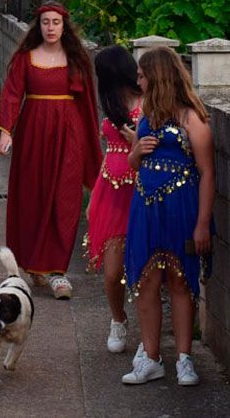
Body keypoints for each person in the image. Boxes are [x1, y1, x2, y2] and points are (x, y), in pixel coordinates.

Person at [0, 2, 101, 299]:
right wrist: (5, 130)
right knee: (33, 196)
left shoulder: (77, 59)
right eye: (45, 22)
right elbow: (12, 96)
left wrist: (88, 142)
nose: (51, 27)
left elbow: (88, 106)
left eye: (56, 22)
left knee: (65, 199)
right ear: (38, 25)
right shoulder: (25, 59)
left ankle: (57, 272)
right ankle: (32, 263)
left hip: (69, 136)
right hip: (33, 134)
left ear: (64, 26)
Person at [121, 47, 214, 387]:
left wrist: (203, 223)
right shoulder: (146, 114)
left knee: (180, 281)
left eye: (143, 76)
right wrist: (136, 152)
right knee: (146, 281)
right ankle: (151, 357)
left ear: (158, 77)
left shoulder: (193, 118)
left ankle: (185, 360)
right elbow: (134, 164)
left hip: (181, 209)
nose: (138, 81)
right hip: (145, 208)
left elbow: (207, 173)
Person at [86, 45, 142, 354]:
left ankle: (150, 335)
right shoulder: (110, 102)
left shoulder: (147, 100)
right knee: (112, 271)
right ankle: (118, 320)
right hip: (110, 189)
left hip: (140, 188)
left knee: (147, 268)